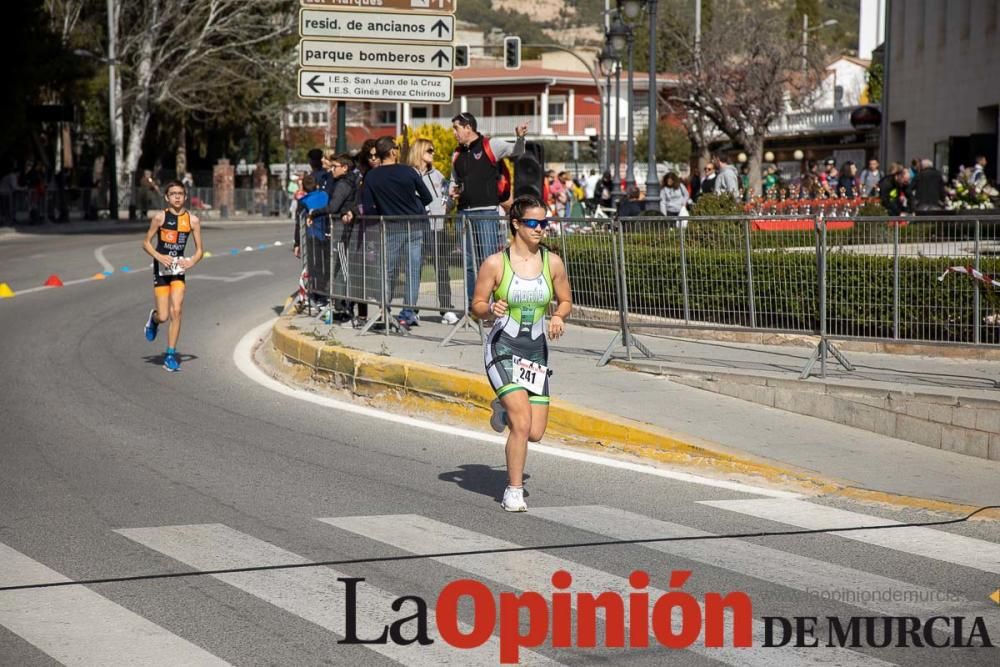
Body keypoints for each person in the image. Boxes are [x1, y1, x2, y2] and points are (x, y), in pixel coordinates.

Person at [471, 195, 572, 513]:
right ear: (516, 223)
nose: (540, 228)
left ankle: (502, 409)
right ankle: (513, 491)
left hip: (536, 352)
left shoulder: (552, 262)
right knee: (522, 423)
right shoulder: (495, 263)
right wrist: (490, 308)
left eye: (544, 222)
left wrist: (558, 315)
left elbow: (566, 299)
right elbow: (476, 306)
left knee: (536, 432)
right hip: (502, 349)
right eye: (533, 223)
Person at [450, 112, 527, 310]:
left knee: (488, 263)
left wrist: (520, 137)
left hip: (486, 213)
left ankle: (494, 308)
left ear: (468, 127)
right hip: (463, 215)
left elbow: (516, 152)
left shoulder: (491, 145)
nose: (454, 133)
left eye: (456, 128)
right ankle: (473, 308)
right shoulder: (456, 154)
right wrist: (453, 191)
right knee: (468, 265)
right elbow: (454, 182)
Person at [361, 135, 433, 328]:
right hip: (413, 225)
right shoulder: (408, 172)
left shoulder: (371, 176)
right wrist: (413, 204)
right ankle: (407, 313)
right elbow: (427, 198)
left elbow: (368, 207)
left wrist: (385, 209)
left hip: (390, 226)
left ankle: (384, 310)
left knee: (388, 270)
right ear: (393, 151)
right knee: (412, 270)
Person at [142, 181, 203, 372]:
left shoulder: (193, 221)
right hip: (161, 270)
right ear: (167, 197)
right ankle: (154, 319)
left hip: (177, 271)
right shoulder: (160, 218)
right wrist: (159, 256)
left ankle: (170, 354)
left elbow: (200, 250)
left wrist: (192, 261)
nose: (177, 197)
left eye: (180, 193)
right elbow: (146, 243)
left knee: (176, 310)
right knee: (164, 315)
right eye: (173, 194)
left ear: (185, 197)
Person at [408, 138, 457, 324]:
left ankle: (446, 309)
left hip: (438, 229)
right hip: (417, 229)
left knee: (442, 269)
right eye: (429, 150)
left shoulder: (438, 175)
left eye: (433, 150)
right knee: (414, 269)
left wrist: (446, 207)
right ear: (419, 151)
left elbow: (448, 196)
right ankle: (411, 309)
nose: (433, 153)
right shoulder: (409, 174)